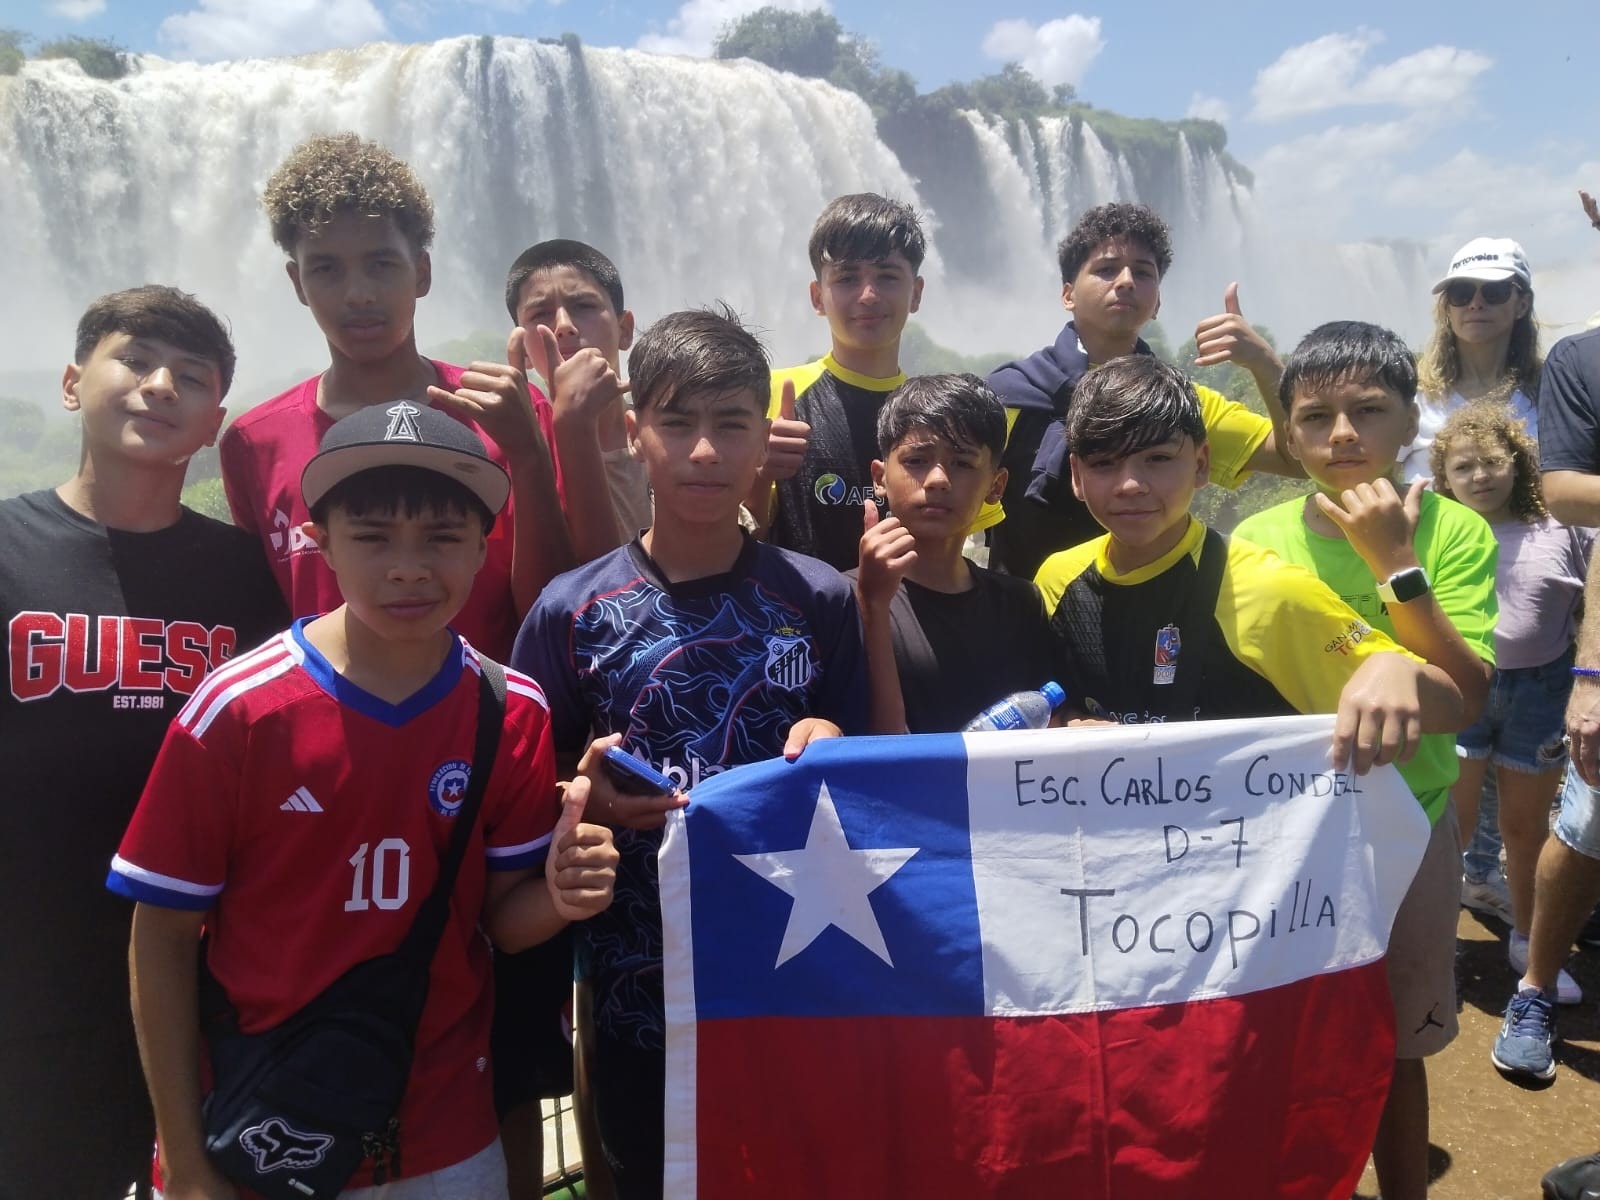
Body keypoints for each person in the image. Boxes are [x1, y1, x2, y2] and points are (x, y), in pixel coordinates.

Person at [110, 401, 619, 1198]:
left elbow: (501, 921)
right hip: (264, 1120)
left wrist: (561, 897)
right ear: (320, 545)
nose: (409, 568)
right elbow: (162, 936)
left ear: (485, 548)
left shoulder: (511, 709)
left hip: (448, 1129)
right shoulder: (239, 711)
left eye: (443, 538)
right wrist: (183, 1157)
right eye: (374, 536)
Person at [514, 307, 868, 1199]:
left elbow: (869, 767)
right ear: (634, 435)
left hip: (797, 979)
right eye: (677, 423)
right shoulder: (570, 611)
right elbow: (522, 798)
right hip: (637, 1000)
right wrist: (581, 799)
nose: (704, 452)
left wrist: (833, 743)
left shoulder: (817, 599)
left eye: (730, 425)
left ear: (765, 442)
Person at [0, 286, 286, 1198]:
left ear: (215, 422)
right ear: (75, 382)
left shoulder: (246, 577)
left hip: (204, 977)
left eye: (190, 378)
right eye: (134, 361)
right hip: (31, 974)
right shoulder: (6, 546)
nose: (160, 386)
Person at [1234, 321, 1496, 1200]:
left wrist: (1394, 561)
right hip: (1289, 831)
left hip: (1411, 822)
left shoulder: (1454, 533)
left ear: (1411, 419)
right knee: (1287, 1031)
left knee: (1395, 1041)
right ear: (1290, 432)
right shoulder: (1259, 540)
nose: (1341, 434)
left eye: (1366, 411)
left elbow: (1468, 691)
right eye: (1314, 418)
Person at [219, 132, 572, 662]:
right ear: (297, 283)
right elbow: (263, 619)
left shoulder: (510, 414)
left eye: (382, 264)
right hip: (326, 737)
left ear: (422, 272)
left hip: (494, 729)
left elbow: (555, 608)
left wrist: (526, 453)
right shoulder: (254, 443)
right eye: (326, 268)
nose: (358, 292)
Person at [985, 201, 1299, 579]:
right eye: (1105, 269)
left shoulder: (1180, 405)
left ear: (1157, 304)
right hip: (1024, 618)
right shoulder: (1004, 397)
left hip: (1151, 622)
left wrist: (1264, 363)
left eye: (1143, 272)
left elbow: (1295, 458)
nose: (1126, 281)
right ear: (1068, 295)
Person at [1430, 403, 1589, 1020]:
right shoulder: (1439, 527)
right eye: (1462, 466)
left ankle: (1528, 936)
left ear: (1519, 463)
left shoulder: (1560, 524)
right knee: (1454, 823)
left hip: (1541, 690)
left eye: (1493, 462)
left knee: (1528, 831)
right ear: (1445, 474)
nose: (1480, 476)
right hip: (1463, 684)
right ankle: (1438, 936)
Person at [1488, 319, 1600, 1093]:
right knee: (1587, 818)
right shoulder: (1583, 359)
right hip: (1522, 683)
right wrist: (1590, 676)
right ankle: (1534, 983)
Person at [849, 373, 1053, 733]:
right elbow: (873, 747)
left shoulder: (1021, 603)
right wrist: (873, 604)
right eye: (916, 460)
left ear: (996, 485)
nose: (938, 479)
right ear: (880, 478)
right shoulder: (839, 599)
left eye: (962, 463)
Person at [752, 192, 927, 569]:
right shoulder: (765, 396)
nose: (868, 295)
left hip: (906, 623)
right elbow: (734, 537)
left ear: (916, 293)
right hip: (794, 621)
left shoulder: (935, 411)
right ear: (817, 297)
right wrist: (760, 472)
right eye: (847, 278)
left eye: (887, 276)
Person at [507, 238, 649, 564]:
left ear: (625, 329)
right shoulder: (515, 449)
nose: (564, 327)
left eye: (583, 306)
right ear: (523, 347)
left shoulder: (670, 435)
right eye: (541, 313)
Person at [1400, 237, 1542, 485]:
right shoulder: (1413, 396)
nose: (1476, 304)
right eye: (1461, 293)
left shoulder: (1550, 393)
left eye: (1494, 292)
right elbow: (1375, 470)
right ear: (1447, 308)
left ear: (1522, 304)